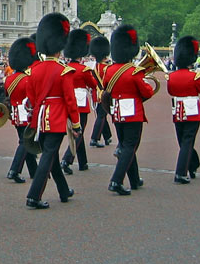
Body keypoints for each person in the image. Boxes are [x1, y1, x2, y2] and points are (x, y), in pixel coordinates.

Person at [25, 13, 80, 209]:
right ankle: (34, 195)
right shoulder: (63, 70)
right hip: (56, 117)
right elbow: (70, 101)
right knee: (49, 155)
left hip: (40, 117)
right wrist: (75, 124)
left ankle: (63, 191)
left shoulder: (34, 70)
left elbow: (31, 97)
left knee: (52, 155)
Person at [103, 24, 154, 196]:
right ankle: (116, 181)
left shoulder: (109, 70)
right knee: (130, 146)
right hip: (132, 113)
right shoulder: (134, 72)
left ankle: (134, 179)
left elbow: (105, 89)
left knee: (126, 145)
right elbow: (146, 92)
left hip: (117, 113)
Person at [168, 36, 200, 183]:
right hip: (192, 112)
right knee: (187, 141)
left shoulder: (171, 77)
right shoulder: (195, 76)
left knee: (183, 141)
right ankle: (180, 173)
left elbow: (170, 91)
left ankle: (192, 165)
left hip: (178, 112)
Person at [60, 30, 97, 174]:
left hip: (68, 102)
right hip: (81, 103)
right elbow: (93, 85)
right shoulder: (84, 69)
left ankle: (83, 162)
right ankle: (66, 159)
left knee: (78, 130)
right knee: (79, 132)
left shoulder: (65, 68)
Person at [4, 37, 38, 183]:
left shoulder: (9, 79)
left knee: (25, 141)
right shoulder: (27, 79)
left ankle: (34, 171)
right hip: (26, 112)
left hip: (16, 113)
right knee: (24, 142)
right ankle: (14, 170)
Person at [88, 36, 113, 147]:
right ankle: (94, 138)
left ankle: (107, 137)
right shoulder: (107, 68)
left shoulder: (95, 67)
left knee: (101, 114)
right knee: (101, 116)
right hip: (104, 94)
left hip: (96, 94)